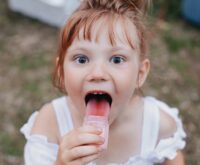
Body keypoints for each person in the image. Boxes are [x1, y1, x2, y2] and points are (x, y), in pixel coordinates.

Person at [20, 0, 186, 164]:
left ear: (140, 74)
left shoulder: (158, 125)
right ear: (61, 72)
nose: (98, 74)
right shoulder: (50, 124)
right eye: (82, 59)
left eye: (116, 59)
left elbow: (173, 158)